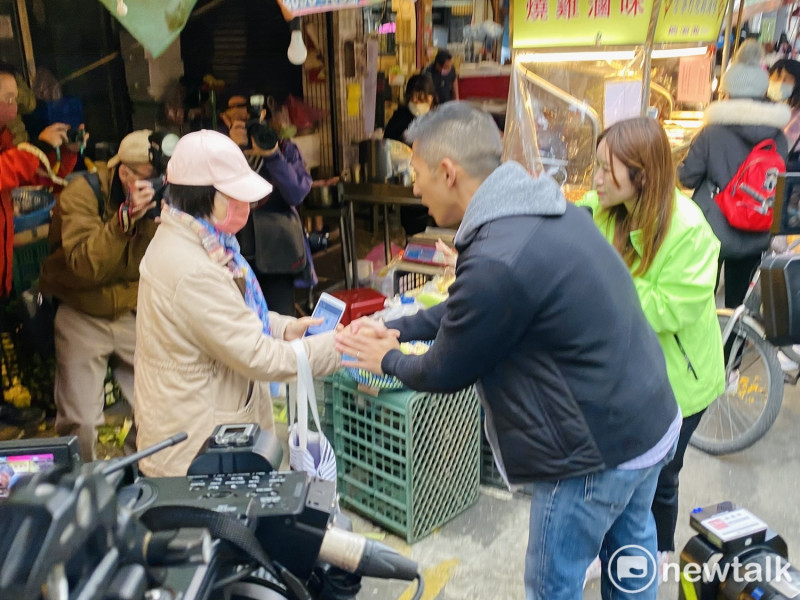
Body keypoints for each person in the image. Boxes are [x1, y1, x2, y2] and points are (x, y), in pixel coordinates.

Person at [335, 103, 680, 600]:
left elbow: (445, 369)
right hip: (649, 421)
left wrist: (386, 359)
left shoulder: (497, 254)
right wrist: (398, 325)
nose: (414, 188)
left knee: (552, 586)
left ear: (448, 173)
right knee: (630, 560)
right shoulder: (539, 207)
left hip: (594, 454)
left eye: (416, 174)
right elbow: (469, 310)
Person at [134, 130, 340, 477]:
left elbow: (232, 313)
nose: (245, 206)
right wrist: (338, 347)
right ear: (204, 197)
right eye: (235, 197)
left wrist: (283, 327)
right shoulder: (192, 267)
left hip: (206, 434)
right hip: (195, 451)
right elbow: (257, 356)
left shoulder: (202, 241)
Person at [577, 116, 725, 575]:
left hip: (679, 383)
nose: (596, 179)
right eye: (596, 166)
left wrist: (603, 278)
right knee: (618, 473)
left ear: (641, 174)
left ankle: (658, 554)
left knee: (661, 474)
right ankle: (612, 552)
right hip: (627, 379)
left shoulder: (689, 229)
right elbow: (563, 211)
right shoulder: (605, 206)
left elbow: (668, 308)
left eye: (607, 169)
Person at [38, 130, 159, 462]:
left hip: (132, 309)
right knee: (81, 423)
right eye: (150, 179)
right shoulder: (82, 192)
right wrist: (124, 222)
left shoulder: (161, 199)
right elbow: (83, 264)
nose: (157, 185)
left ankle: (140, 476)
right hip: (81, 311)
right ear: (124, 173)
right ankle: (82, 490)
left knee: (156, 410)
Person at [678, 39, 790, 309]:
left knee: (701, 300)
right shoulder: (778, 135)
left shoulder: (711, 132)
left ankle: (705, 349)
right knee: (738, 306)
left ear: (727, 89)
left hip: (711, 231)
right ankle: (733, 349)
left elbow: (687, 177)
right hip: (757, 230)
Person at [223, 94, 314, 316]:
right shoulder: (220, 151)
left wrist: (273, 157)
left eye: (250, 120)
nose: (247, 127)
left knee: (281, 323)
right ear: (225, 120)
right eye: (238, 121)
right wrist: (231, 152)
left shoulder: (284, 148)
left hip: (277, 254)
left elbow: (297, 194)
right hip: (231, 255)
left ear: (263, 116)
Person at [0, 62, 82, 297]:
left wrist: (66, 152)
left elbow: (30, 179)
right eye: (9, 100)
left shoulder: (5, 139)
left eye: (15, 99)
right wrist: (34, 149)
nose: (15, 109)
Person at [384, 73, 438, 237]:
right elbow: (388, 140)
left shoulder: (439, 117)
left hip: (435, 180)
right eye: (413, 99)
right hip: (409, 180)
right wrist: (404, 135)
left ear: (431, 99)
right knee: (414, 227)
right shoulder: (401, 116)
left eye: (422, 100)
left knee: (435, 225)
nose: (417, 104)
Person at [768, 59, 800, 154]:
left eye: (787, 79)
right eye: (777, 77)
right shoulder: (759, 105)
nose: (781, 82)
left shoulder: (796, 116)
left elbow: (785, 146)